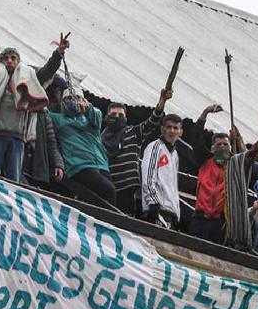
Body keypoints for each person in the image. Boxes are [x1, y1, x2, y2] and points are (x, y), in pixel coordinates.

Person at [0, 35, 70, 182]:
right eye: (6, 58)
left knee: (13, 182)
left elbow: (47, 71)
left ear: (18, 62)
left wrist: (59, 52)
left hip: (17, 138)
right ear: (1, 61)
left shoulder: (27, 80)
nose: (10, 61)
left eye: (13, 58)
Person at [191, 114, 258, 247]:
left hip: (222, 223)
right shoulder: (205, 161)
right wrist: (205, 114)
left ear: (231, 147)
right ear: (212, 148)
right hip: (200, 219)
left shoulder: (237, 166)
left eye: (225, 144)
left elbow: (256, 151)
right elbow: (195, 137)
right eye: (219, 144)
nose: (222, 147)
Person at [101, 89, 174, 217]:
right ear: (107, 117)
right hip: (106, 188)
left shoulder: (133, 132)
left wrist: (162, 100)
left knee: (124, 220)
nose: (117, 117)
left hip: (127, 189)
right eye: (113, 114)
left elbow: (153, 121)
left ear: (126, 118)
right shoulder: (100, 138)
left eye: (120, 115)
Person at [48, 86, 115, 205]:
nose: (73, 101)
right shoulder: (58, 119)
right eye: (68, 99)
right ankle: (109, 221)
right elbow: (42, 111)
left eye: (77, 98)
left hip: (101, 165)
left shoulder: (92, 116)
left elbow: (96, 117)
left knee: (101, 197)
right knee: (108, 190)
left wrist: (87, 107)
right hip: (79, 165)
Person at [141, 114, 184, 229]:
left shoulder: (175, 155)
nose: (172, 130)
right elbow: (148, 176)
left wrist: (177, 214)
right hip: (156, 209)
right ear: (162, 129)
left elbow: (173, 187)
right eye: (168, 127)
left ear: (180, 132)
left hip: (171, 213)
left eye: (175, 128)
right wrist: (153, 203)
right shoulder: (155, 147)